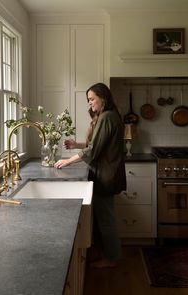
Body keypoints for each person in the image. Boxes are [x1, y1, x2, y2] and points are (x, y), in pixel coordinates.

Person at [54, 82, 126, 268]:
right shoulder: (105, 116)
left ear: (103, 98)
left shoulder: (107, 117)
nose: (90, 103)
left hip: (106, 175)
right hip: (105, 174)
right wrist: (75, 145)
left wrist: (67, 161)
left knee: (106, 219)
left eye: (92, 99)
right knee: (103, 218)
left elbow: (93, 150)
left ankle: (112, 259)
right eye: (88, 100)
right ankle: (107, 255)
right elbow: (95, 145)